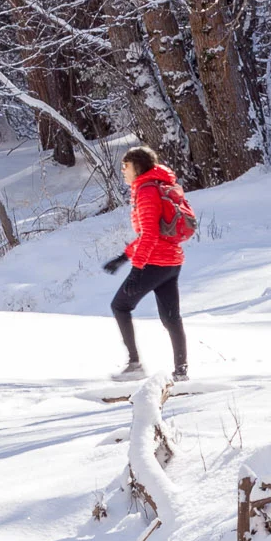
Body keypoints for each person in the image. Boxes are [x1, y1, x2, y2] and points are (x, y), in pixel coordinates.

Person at [98, 146, 192, 382]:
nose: (123, 171)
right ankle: (181, 371)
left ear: (137, 166)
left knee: (120, 306)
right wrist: (124, 256)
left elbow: (149, 234)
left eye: (125, 166)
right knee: (171, 318)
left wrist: (136, 271)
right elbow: (150, 234)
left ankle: (134, 365)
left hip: (155, 262)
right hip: (171, 262)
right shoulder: (158, 187)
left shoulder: (147, 191)